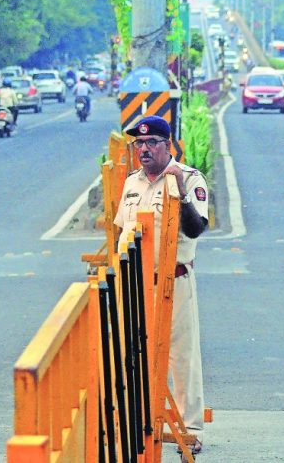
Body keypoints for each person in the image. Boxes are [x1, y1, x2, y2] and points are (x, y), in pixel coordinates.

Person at [113, 115, 208, 456]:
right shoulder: (131, 183)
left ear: (168, 145)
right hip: (136, 283)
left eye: (152, 142)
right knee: (133, 354)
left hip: (174, 282)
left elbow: (196, 229)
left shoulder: (189, 178)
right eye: (139, 143)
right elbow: (121, 233)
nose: (144, 149)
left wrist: (180, 192)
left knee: (181, 356)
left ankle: (191, 429)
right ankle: (141, 422)